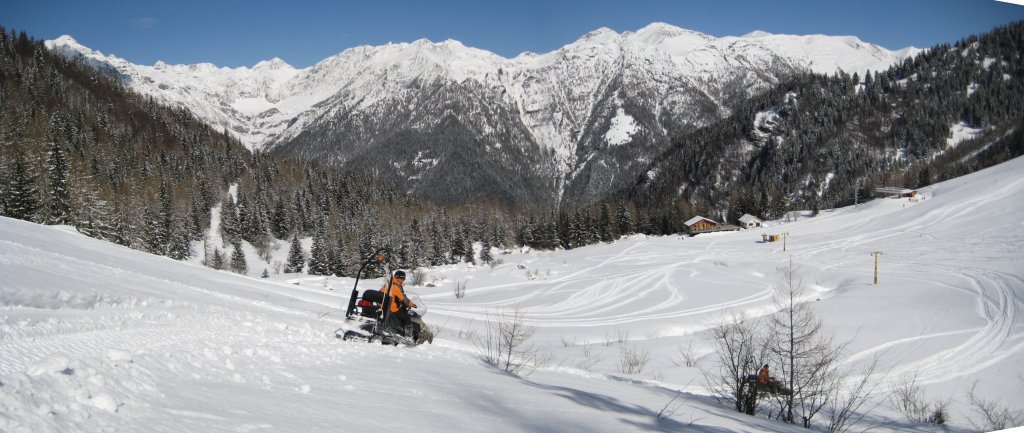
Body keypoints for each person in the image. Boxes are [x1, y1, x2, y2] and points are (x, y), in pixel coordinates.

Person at [380, 270, 419, 340]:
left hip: (384, 307)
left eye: (403, 279)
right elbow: (403, 299)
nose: (402, 281)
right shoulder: (395, 286)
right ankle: (408, 337)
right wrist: (411, 304)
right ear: (397, 278)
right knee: (407, 318)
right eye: (401, 279)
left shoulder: (387, 284)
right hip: (392, 308)